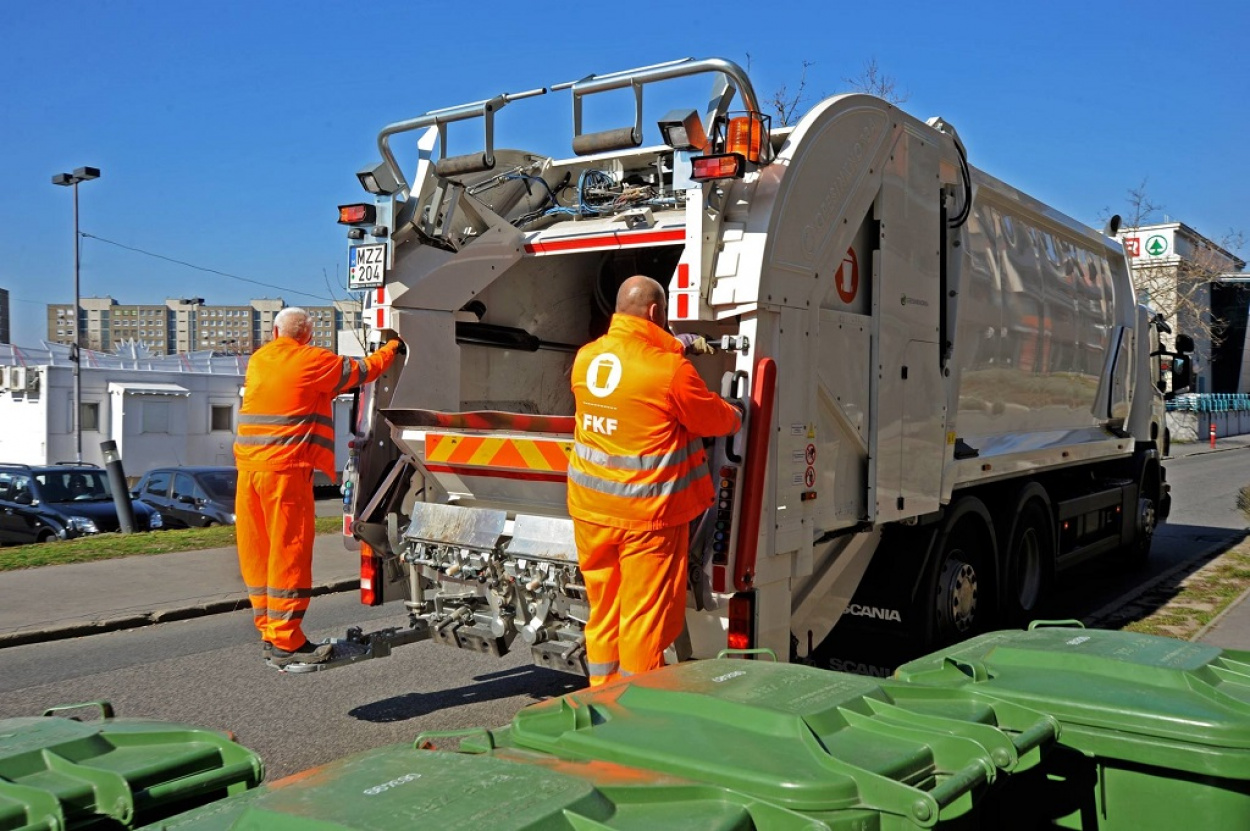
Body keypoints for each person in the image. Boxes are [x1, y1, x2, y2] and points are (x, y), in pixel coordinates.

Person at [568, 275, 742, 686]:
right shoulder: (669, 371)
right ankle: (635, 712)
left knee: (605, 611)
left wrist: (674, 342)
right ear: (655, 312)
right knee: (643, 620)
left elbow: (631, 369)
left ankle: (602, 695)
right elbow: (712, 419)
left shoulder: (586, 358)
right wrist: (736, 411)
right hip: (647, 517)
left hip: (591, 512)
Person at [234, 308, 403, 669]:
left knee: (258, 552)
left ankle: (269, 630)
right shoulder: (310, 359)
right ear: (308, 334)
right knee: (288, 551)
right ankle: (287, 640)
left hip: (249, 470)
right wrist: (392, 346)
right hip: (285, 472)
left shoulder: (260, 359)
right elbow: (363, 372)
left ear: (275, 330)